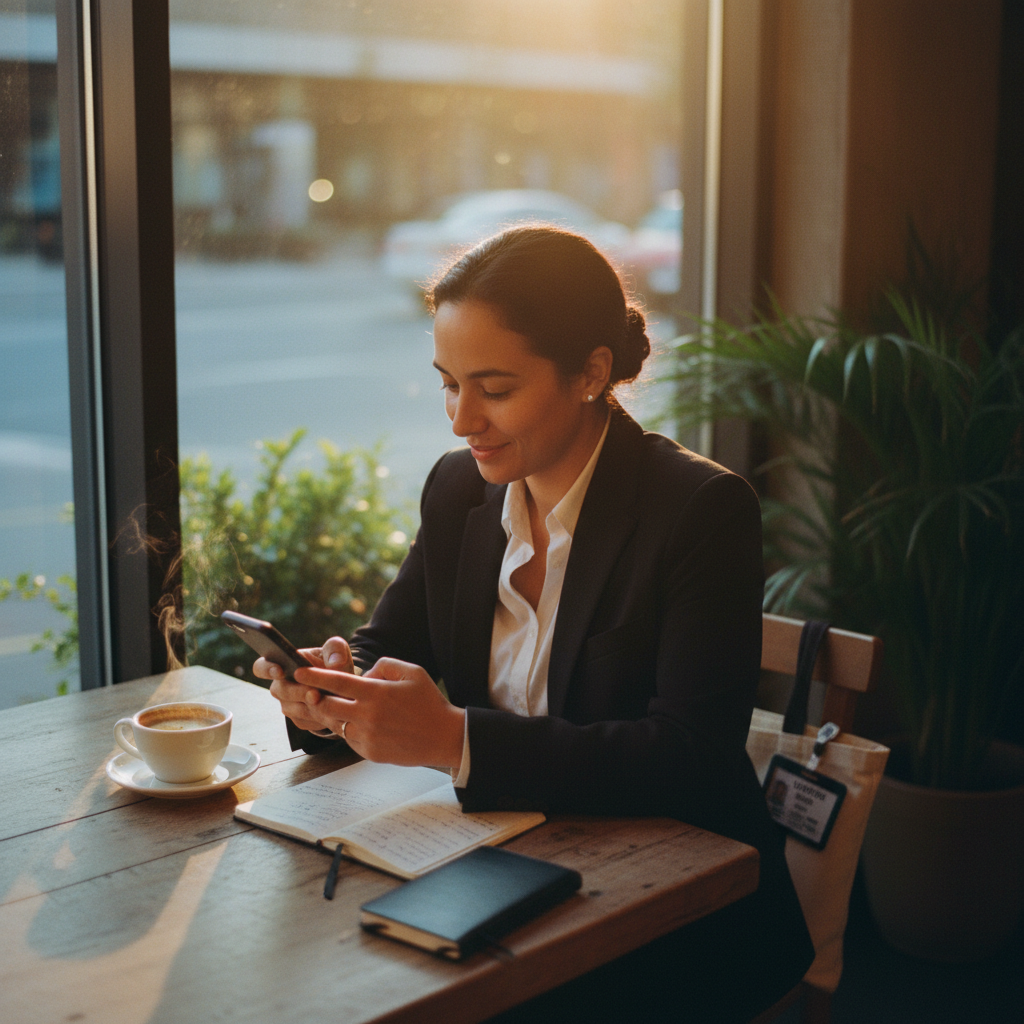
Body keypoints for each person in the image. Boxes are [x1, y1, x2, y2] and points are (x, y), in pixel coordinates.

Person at [253, 226, 813, 1021]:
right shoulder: (461, 491)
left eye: (494, 388)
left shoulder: (698, 510)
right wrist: (326, 689)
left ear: (590, 372)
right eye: (448, 383)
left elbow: (690, 754)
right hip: (507, 865)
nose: (460, 419)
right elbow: (386, 644)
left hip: (678, 912)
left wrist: (455, 741)